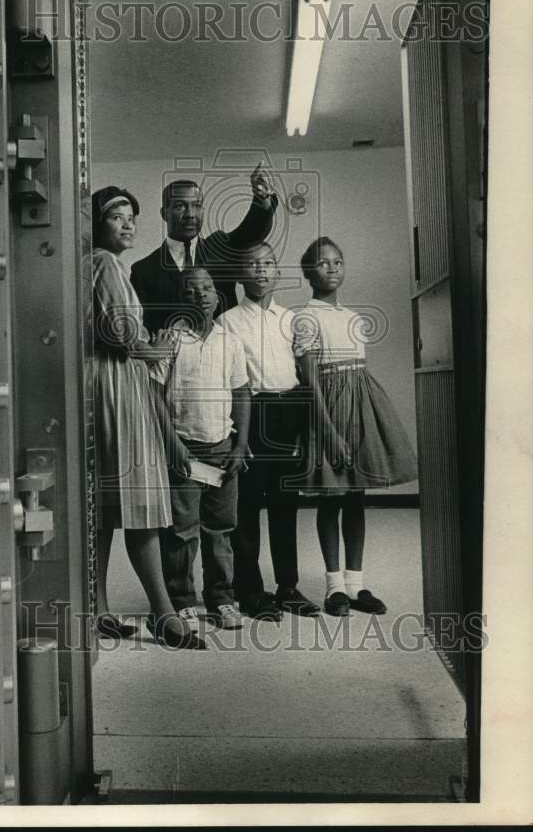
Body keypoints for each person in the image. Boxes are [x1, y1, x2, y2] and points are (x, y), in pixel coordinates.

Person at [91, 185, 206, 649]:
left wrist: (139, 342)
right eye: (117, 216)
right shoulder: (105, 263)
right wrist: (148, 343)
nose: (128, 224)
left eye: (131, 217)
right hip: (116, 382)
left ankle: (96, 610)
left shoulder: (93, 264)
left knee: (100, 509)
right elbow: (123, 333)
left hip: (102, 382)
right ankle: (164, 614)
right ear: (98, 225)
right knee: (140, 501)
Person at [292, 236, 418, 616]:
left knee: (356, 498)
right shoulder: (306, 317)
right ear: (307, 272)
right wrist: (328, 431)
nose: (331, 268)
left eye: (337, 262)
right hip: (329, 410)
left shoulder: (352, 317)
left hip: (361, 406)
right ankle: (335, 588)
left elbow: (356, 374)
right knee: (331, 499)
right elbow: (310, 378)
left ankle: (357, 583)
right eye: (321, 263)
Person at [218, 241, 320, 620]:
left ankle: (288, 587)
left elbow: (302, 374)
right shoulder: (227, 321)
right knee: (246, 506)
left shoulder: (289, 319)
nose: (261, 269)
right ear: (241, 275)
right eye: (252, 263)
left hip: (288, 410)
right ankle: (250, 590)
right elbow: (229, 380)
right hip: (251, 412)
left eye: (269, 263)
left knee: (285, 504)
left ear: (277, 272)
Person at [150, 267, 251, 630]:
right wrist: (173, 445)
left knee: (220, 528)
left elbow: (241, 392)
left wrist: (240, 444)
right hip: (184, 448)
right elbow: (154, 395)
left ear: (216, 295)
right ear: (182, 298)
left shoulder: (230, 341)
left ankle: (222, 598)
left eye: (207, 288)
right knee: (182, 529)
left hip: (221, 447)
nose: (201, 295)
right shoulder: (171, 339)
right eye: (192, 290)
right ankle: (181, 599)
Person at [130, 164, 279, 336]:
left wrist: (262, 198)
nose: (190, 214)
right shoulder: (143, 270)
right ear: (165, 213)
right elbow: (141, 328)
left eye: (197, 205)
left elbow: (252, 231)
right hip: (172, 360)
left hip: (223, 354)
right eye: (180, 206)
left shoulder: (221, 248)